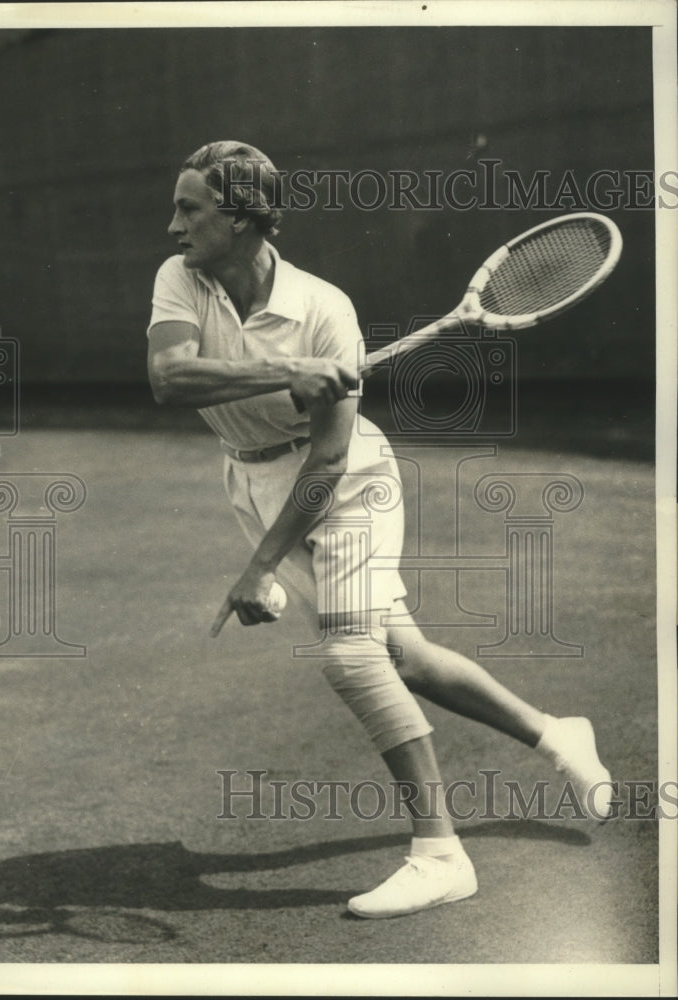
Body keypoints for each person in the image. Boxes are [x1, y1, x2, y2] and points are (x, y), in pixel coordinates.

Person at [146, 140, 613, 919]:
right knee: (405, 654)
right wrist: (283, 374)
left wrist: (260, 567)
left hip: (348, 481)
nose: (173, 225)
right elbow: (169, 379)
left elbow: (328, 460)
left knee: (351, 653)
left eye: (190, 209)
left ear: (242, 219)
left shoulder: (326, 312)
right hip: (252, 478)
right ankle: (555, 732)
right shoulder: (181, 278)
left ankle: (439, 854)